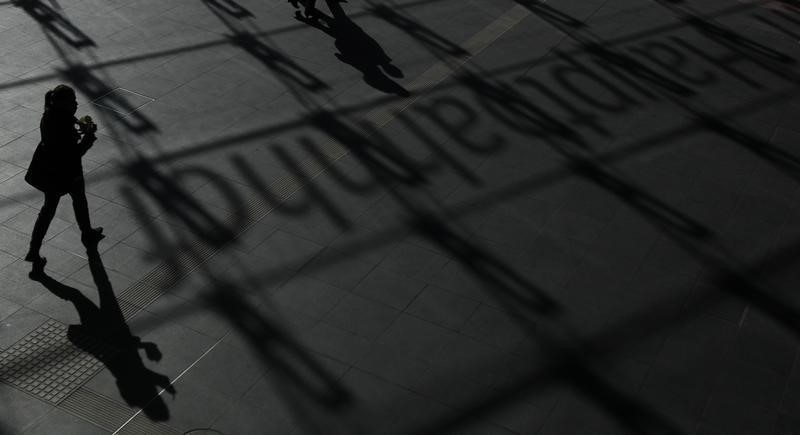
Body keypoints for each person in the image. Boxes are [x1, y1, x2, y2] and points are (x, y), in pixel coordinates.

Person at [24, 84, 104, 276]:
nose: (76, 104)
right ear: (62, 103)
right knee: (77, 200)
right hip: (65, 171)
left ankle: (34, 250)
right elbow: (72, 154)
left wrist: (79, 127)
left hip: (49, 170)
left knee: (49, 209)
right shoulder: (62, 122)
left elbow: (65, 135)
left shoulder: (51, 114)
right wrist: (88, 138)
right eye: (72, 102)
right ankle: (87, 233)